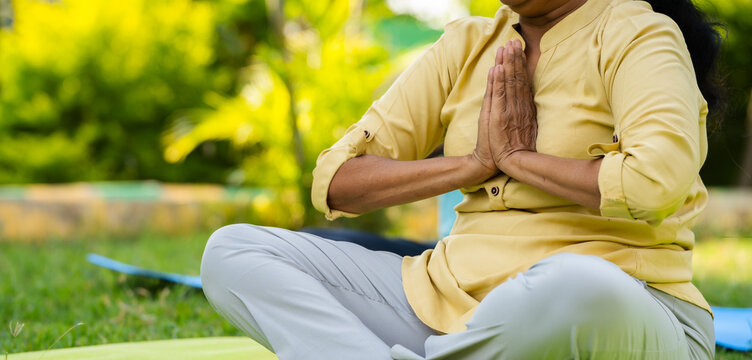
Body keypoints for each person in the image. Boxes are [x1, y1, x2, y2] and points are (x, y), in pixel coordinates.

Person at [200, 0, 723, 358]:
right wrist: (472, 164)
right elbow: (336, 181)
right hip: (442, 300)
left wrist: (519, 158)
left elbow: (655, 183)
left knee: (575, 284)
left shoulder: (640, 33)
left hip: (617, 307)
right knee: (232, 251)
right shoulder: (469, 43)